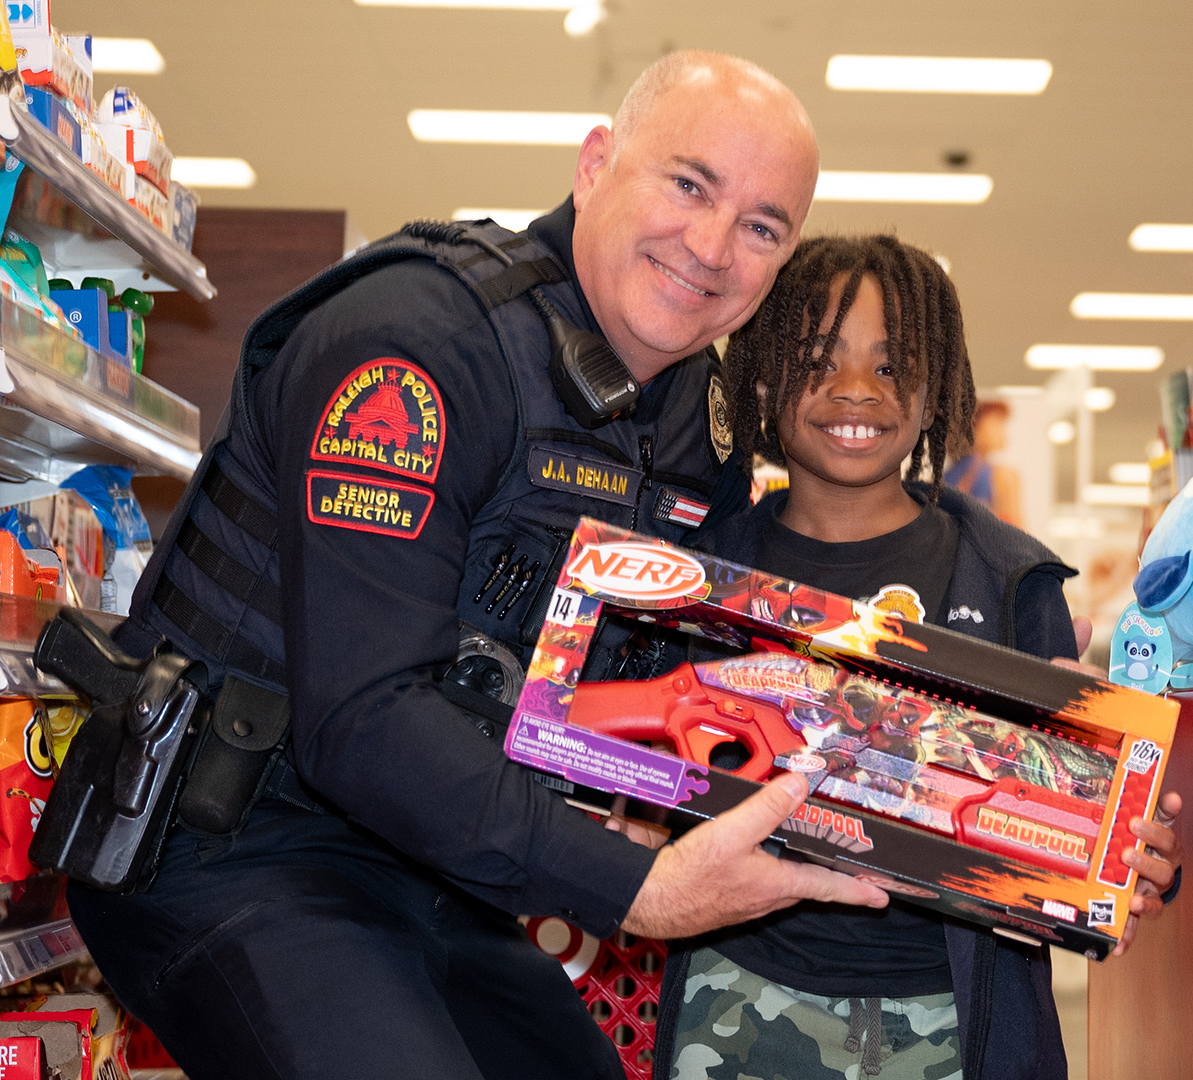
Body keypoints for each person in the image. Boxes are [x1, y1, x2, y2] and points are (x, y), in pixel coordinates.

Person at [65, 52, 889, 1080]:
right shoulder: (416, 348)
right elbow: (361, 720)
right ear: (597, 165)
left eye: (763, 227)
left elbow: (701, 665)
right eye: (689, 184)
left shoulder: (696, 421)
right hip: (238, 846)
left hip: (433, 861)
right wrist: (637, 888)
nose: (713, 246)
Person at [654, 234, 1183, 1080]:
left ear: (936, 391)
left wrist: (1133, 859)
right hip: (740, 995)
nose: (856, 391)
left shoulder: (1010, 581)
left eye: (893, 367)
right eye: (817, 361)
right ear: (759, 378)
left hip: (956, 1012)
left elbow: (1081, 812)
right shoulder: (700, 575)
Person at [944, 399, 1024, 528]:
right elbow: (1018, 533)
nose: (1002, 432)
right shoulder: (1003, 475)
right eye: (996, 424)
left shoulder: (947, 476)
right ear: (974, 427)